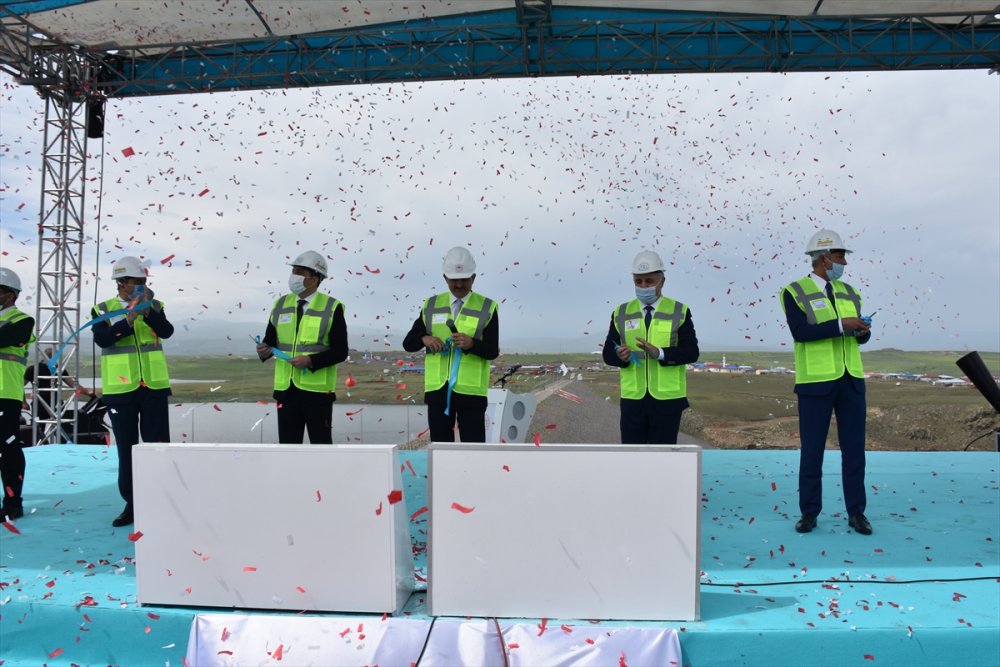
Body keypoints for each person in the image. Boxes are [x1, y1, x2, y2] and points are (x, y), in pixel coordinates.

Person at [781, 229, 872, 536]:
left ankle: (857, 513)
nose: (844, 262)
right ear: (822, 259)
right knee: (812, 452)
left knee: (855, 450)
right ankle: (809, 513)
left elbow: (859, 336)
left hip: (851, 381)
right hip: (815, 383)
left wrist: (861, 331)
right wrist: (839, 325)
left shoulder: (850, 292)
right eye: (840, 256)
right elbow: (801, 333)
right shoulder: (794, 291)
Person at [92, 256, 174, 527]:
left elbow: (167, 331)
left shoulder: (156, 305)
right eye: (136, 282)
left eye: (144, 282)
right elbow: (102, 339)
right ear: (122, 283)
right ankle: (133, 503)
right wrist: (127, 321)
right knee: (127, 449)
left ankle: (161, 499)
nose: (141, 286)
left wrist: (148, 311)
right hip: (120, 389)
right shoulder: (102, 308)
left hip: (153, 386)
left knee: (157, 446)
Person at [403, 247, 499, 443]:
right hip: (438, 391)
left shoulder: (487, 307)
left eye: (464, 279)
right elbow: (408, 343)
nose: (459, 284)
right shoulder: (430, 305)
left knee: (473, 450)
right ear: (445, 278)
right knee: (440, 449)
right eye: (454, 280)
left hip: (471, 392)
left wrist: (472, 344)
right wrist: (424, 338)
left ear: (473, 278)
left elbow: (491, 351)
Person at [603, 250, 699, 444]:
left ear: (662, 281)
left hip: (667, 400)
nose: (644, 286)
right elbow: (607, 354)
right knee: (632, 457)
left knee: (664, 457)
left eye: (649, 281)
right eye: (639, 282)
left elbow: (691, 352)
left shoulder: (679, 311)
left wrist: (661, 353)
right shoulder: (620, 312)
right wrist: (619, 356)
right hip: (633, 399)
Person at [256, 251, 348, 444]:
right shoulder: (280, 304)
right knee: (288, 450)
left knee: (321, 447)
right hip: (286, 391)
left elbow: (340, 351)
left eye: (299, 272)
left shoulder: (332, 307)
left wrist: (311, 361)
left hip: (317, 393)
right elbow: (270, 340)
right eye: (293, 271)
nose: (293, 276)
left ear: (314, 279)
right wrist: (263, 351)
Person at [0, 267, 35, 521]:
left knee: (8, 448)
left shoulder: (22, 320)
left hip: (5, 392)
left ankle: (13, 502)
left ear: (9, 295)